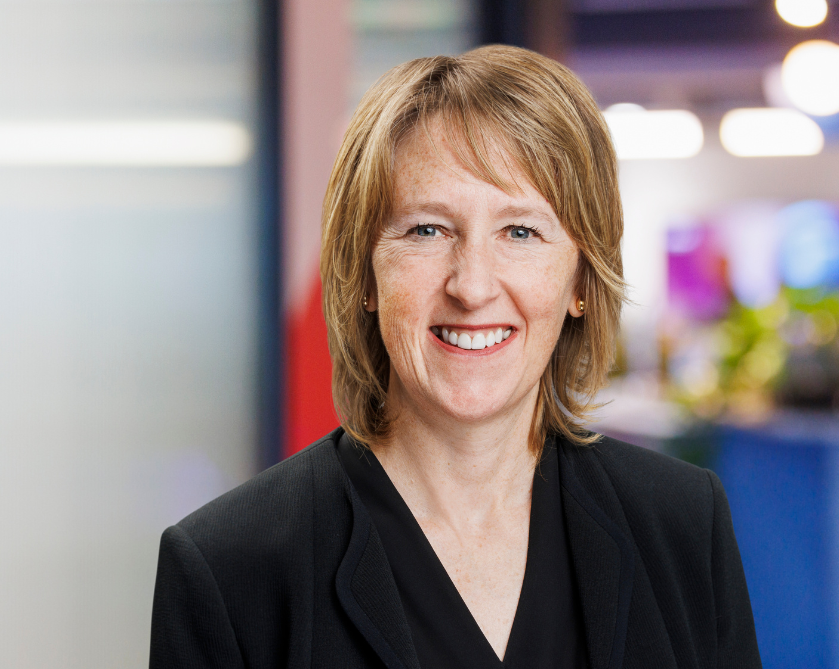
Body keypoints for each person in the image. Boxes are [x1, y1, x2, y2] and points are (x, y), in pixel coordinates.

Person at [150, 45, 761, 669]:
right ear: (364, 273)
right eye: (427, 230)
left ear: (580, 280)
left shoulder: (682, 524)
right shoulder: (231, 569)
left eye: (520, 232)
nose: (472, 286)